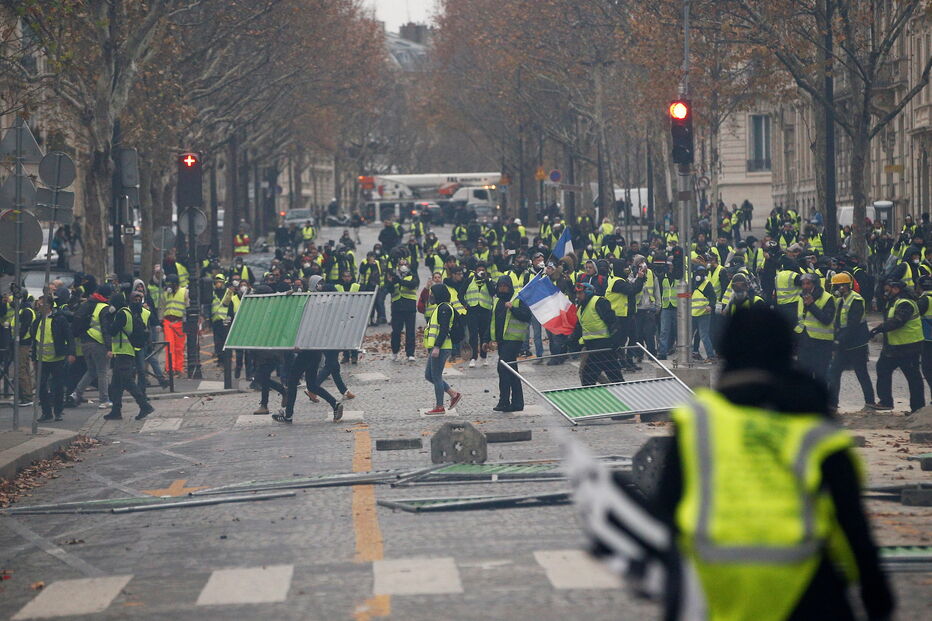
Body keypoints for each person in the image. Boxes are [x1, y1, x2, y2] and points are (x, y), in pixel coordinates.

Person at [650, 307, 894, 621]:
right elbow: (850, 518)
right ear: (787, 350)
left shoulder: (697, 421)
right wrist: (875, 590)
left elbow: (667, 510)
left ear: (726, 350)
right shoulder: (814, 425)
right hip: (805, 585)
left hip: (714, 584)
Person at [870, 280, 925, 412]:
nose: (885, 291)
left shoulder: (905, 302)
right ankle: (886, 401)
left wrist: (879, 328)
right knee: (883, 369)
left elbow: (898, 321)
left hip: (908, 347)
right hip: (895, 346)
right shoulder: (894, 301)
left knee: (913, 377)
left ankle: (917, 408)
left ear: (896, 289)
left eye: (887, 288)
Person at [828, 272, 876, 411]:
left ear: (844, 286)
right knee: (834, 372)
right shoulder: (840, 300)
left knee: (861, 373)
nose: (835, 289)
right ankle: (832, 403)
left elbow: (852, 324)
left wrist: (839, 340)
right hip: (844, 343)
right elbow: (839, 322)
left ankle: (870, 402)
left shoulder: (856, 299)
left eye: (837, 286)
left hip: (857, 343)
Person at [103, 291, 154, 421]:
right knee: (116, 384)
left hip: (124, 352)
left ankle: (144, 405)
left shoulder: (121, 314)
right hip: (123, 351)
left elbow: (112, 331)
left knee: (127, 381)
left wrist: (109, 317)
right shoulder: (126, 312)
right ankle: (116, 410)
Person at [489, 275, 531, 412]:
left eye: (505, 286)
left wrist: (513, 308)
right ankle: (516, 403)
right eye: (500, 286)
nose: (502, 289)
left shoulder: (517, 299)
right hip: (502, 341)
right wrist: (487, 339)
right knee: (512, 371)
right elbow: (493, 321)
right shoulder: (497, 301)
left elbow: (526, 316)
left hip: (514, 339)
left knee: (503, 368)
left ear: (510, 286)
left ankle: (504, 401)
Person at [32, 293, 75, 422]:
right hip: (41, 360)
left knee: (58, 386)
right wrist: (34, 358)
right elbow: (35, 341)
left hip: (57, 359)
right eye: (38, 303)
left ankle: (58, 412)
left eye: (41, 303)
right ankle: (46, 412)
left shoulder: (59, 319)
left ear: (49, 305)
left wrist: (71, 353)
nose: (39, 305)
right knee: (41, 386)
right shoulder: (38, 320)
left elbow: (69, 337)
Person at [69, 283, 112, 409]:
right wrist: (109, 347)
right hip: (98, 343)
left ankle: (76, 394)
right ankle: (104, 400)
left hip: (85, 342)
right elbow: (105, 329)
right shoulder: (103, 307)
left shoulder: (87, 303)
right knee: (102, 372)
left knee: (91, 371)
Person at [422, 284, 463, 415]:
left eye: (432, 293)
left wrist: (437, 347)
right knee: (429, 375)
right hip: (437, 347)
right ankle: (453, 394)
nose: (430, 296)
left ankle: (440, 406)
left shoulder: (444, 308)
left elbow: (444, 330)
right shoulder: (440, 307)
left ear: (438, 294)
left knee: (436, 376)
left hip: (441, 347)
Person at [573, 282, 623, 385]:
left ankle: (627, 396)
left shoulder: (599, 302)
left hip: (604, 346)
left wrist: (616, 342)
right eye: (577, 294)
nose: (578, 296)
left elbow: (613, 322)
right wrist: (571, 342)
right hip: (592, 347)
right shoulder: (581, 308)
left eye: (580, 293)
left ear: (587, 292)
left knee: (588, 378)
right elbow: (580, 328)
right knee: (614, 376)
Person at [795, 272, 836, 386]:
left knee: (820, 375)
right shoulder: (801, 297)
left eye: (808, 284)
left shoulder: (827, 298)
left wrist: (811, 305)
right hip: (805, 341)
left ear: (815, 284)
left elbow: (826, 319)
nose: (805, 286)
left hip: (821, 343)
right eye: (803, 284)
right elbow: (800, 320)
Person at [385, 258, 419, 362]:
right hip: (397, 308)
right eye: (401, 264)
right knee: (396, 332)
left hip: (409, 308)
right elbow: (389, 289)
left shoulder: (413, 275)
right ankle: (395, 352)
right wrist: (391, 281)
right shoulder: (394, 276)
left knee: (410, 332)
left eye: (405, 264)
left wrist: (400, 280)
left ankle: (410, 353)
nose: (403, 266)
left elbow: (413, 285)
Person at [160, 273, 188, 375]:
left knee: (179, 347)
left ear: (175, 284)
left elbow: (187, 306)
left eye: (170, 284)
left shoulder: (184, 292)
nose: (168, 286)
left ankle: (179, 368)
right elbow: (162, 307)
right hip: (168, 321)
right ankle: (170, 368)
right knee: (169, 345)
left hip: (179, 322)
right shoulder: (166, 293)